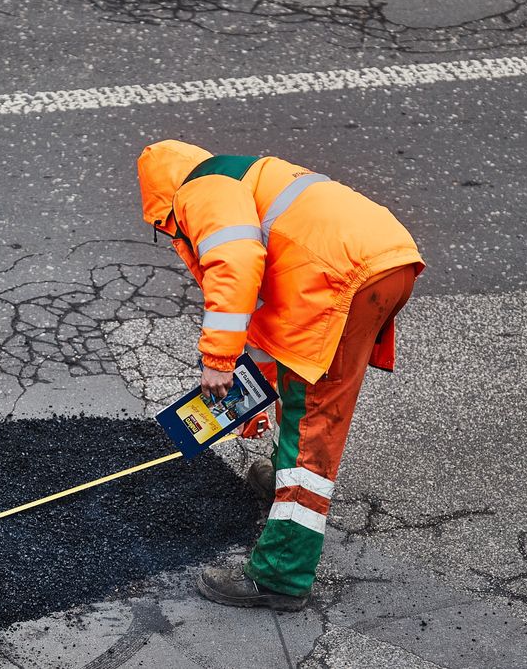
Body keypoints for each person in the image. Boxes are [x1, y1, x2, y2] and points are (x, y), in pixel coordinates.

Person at [136, 140, 424, 611]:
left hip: (342, 279)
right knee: (304, 395)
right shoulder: (245, 176)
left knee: (312, 424)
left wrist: (218, 360)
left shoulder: (197, 191)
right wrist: (252, 388)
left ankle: (280, 574)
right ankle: (281, 485)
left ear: (162, 203)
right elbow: (271, 303)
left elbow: (236, 262)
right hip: (383, 262)